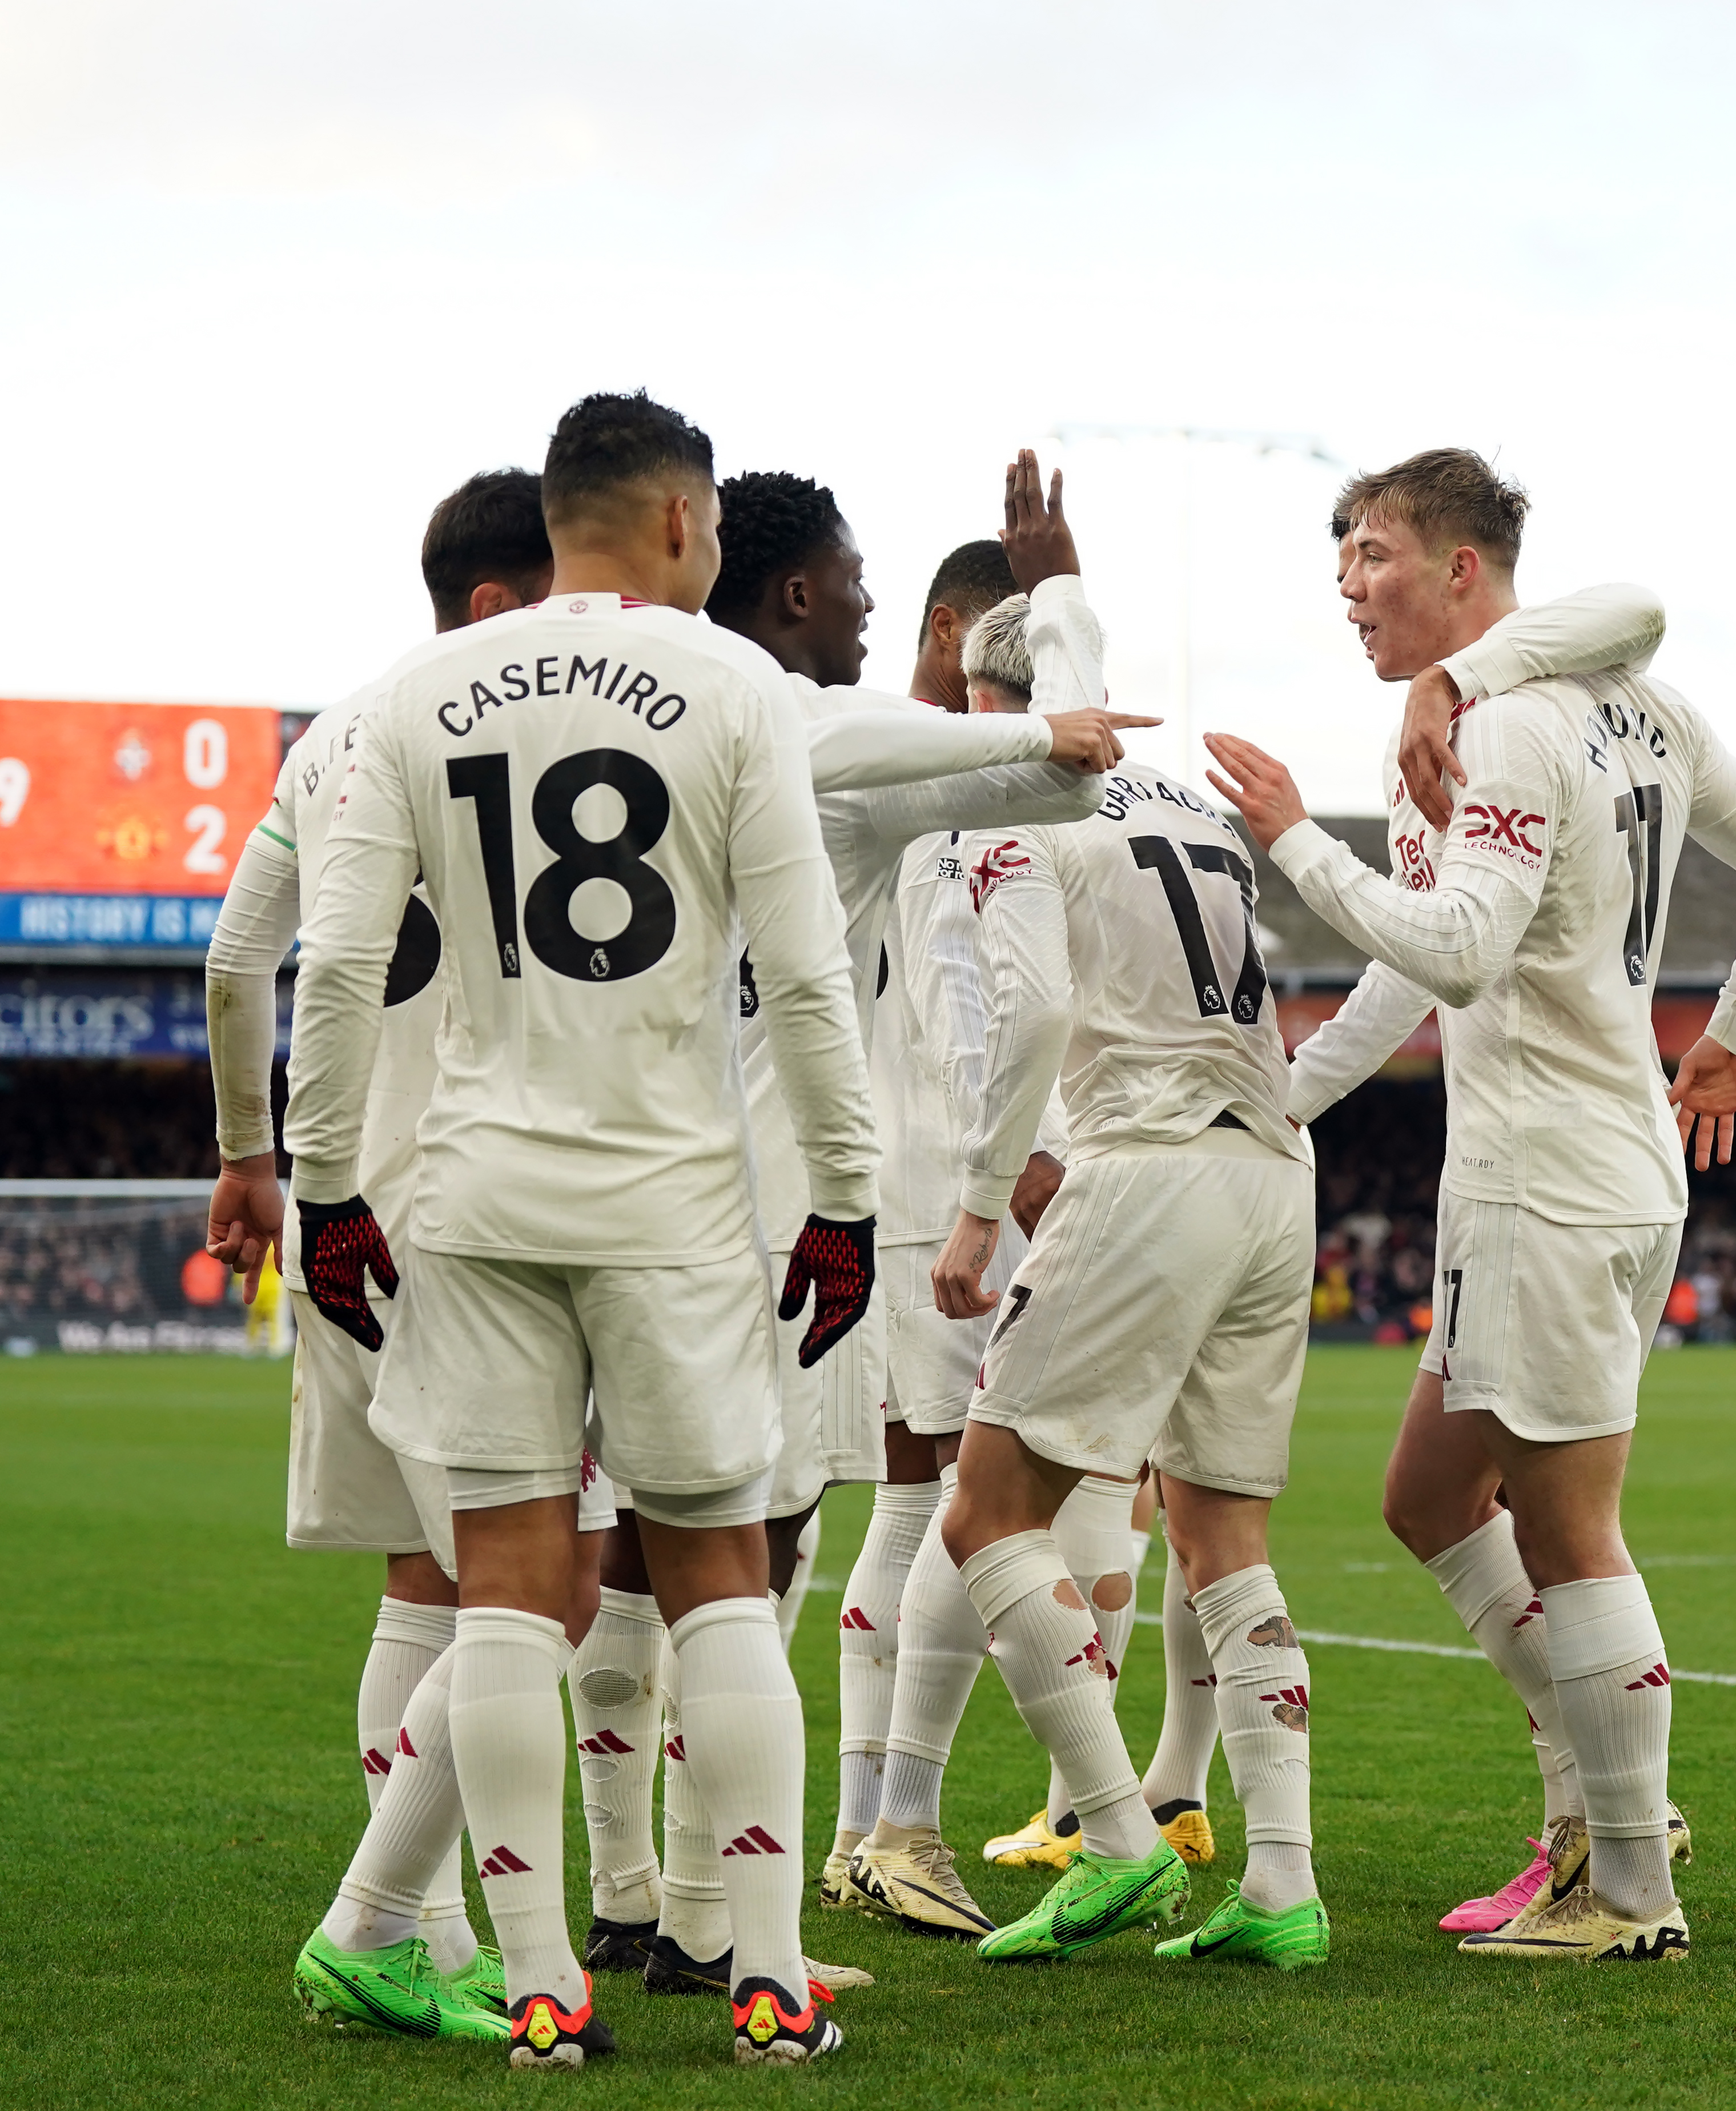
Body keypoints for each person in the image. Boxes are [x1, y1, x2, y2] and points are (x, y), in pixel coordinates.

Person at [279, 390, 883, 2068]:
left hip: (475, 1196)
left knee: (505, 1593)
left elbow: (336, 966)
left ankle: (541, 1982)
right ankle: (768, 1977)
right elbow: (807, 974)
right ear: (683, 521)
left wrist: (324, 1183)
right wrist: (844, 1197)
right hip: (671, 1203)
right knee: (719, 1578)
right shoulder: (737, 685)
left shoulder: (411, 695)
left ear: (552, 525)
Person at [1203, 446, 1736, 1964]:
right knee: (1428, 1498)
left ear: (1462, 570)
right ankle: (1594, 1817)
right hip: (1603, 1173)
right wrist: (1278, 1101)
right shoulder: (1634, 706)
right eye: (1340, 564)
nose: (1349, 590)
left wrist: (1294, 842)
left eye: (1374, 558)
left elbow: (1461, 951)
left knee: (1566, 1530)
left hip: (1545, 1185)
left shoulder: (1500, 727)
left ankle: (1632, 1886)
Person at [579, 458, 1149, 1997]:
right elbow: (1069, 777)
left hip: (599, 1185)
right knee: (748, 1553)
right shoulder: (812, 735)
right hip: (764, 1206)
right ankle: (706, 1922)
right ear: (797, 593)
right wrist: (1061, 601)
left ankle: (626, 1897)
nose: (872, 610)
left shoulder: (622, 716)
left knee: (618, 1547)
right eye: (854, 585)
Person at [926, 508, 1337, 1973]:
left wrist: (981, 1201)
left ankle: (1111, 1835)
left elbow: (1035, 1007)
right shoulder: (1185, 801)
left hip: (1146, 1164)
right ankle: (1280, 1885)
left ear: (988, 703)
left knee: (984, 1513)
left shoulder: (1012, 797)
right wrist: (1059, 582)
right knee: (1222, 1538)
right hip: (1271, 1172)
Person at [203, 466, 556, 2018]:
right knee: (536, 1587)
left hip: (339, 1208)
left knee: (428, 1583)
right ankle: (382, 1924)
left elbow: (237, 964)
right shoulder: (532, 721)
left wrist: (250, 1160)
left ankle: (429, 1943)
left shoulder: (329, 735)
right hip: (485, 1214)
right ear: (494, 603)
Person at [846, 589, 1176, 1943]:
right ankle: (894, 1828)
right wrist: (1014, 1173)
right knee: (951, 1493)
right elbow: (963, 1007)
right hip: (965, 1186)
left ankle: (916, 1827)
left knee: (1003, 1488)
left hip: (998, 1175)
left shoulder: (1014, 802)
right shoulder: (957, 808)